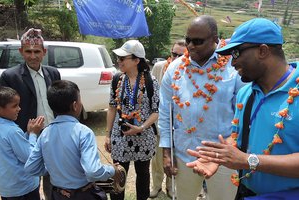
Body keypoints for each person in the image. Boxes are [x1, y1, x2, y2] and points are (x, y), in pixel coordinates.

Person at [186, 18, 299, 199]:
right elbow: (238, 137)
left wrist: (249, 160)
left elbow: (246, 158)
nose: (232, 63)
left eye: (236, 53)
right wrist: (219, 156)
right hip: (247, 193)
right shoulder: (246, 93)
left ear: (263, 51)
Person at [158, 15, 244, 200]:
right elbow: (165, 112)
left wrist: (231, 148)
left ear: (215, 39)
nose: (190, 46)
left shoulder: (233, 68)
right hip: (184, 154)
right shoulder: (175, 69)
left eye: (198, 41)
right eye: (188, 40)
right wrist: (166, 152)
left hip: (222, 157)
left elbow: (243, 114)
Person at [25, 80, 119, 200]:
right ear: (75, 105)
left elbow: (31, 167)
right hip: (83, 194)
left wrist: (53, 168)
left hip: (58, 194)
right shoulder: (83, 132)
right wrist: (112, 170)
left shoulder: (45, 133)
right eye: (80, 100)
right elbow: (92, 171)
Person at [0, 28, 61, 200]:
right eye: (28, 51)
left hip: (51, 133)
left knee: (53, 177)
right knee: (31, 178)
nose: (32, 56)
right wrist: (28, 134)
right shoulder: (10, 76)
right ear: (21, 52)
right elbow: (5, 107)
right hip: (26, 137)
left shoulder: (53, 73)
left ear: (44, 52)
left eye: (37, 52)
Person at [104, 40, 159, 200]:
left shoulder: (151, 81)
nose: (118, 61)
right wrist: (107, 134)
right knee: (119, 174)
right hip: (120, 137)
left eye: (122, 58)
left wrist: (141, 127)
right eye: (118, 58)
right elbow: (112, 107)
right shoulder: (117, 80)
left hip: (144, 137)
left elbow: (156, 111)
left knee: (143, 175)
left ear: (136, 60)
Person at [149, 39, 186, 199]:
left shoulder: (188, 71)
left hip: (179, 126)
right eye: (174, 54)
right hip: (160, 123)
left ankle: (171, 187)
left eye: (181, 55)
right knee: (157, 160)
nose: (176, 57)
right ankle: (156, 186)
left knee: (174, 160)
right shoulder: (159, 67)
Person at [0, 86, 44, 200]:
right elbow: (29, 157)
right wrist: (33, 134)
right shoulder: (12, 130)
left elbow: (10, 147)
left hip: (6, 188)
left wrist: (27, 134)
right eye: (14, 106)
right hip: (22, 188)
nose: (19, 109)